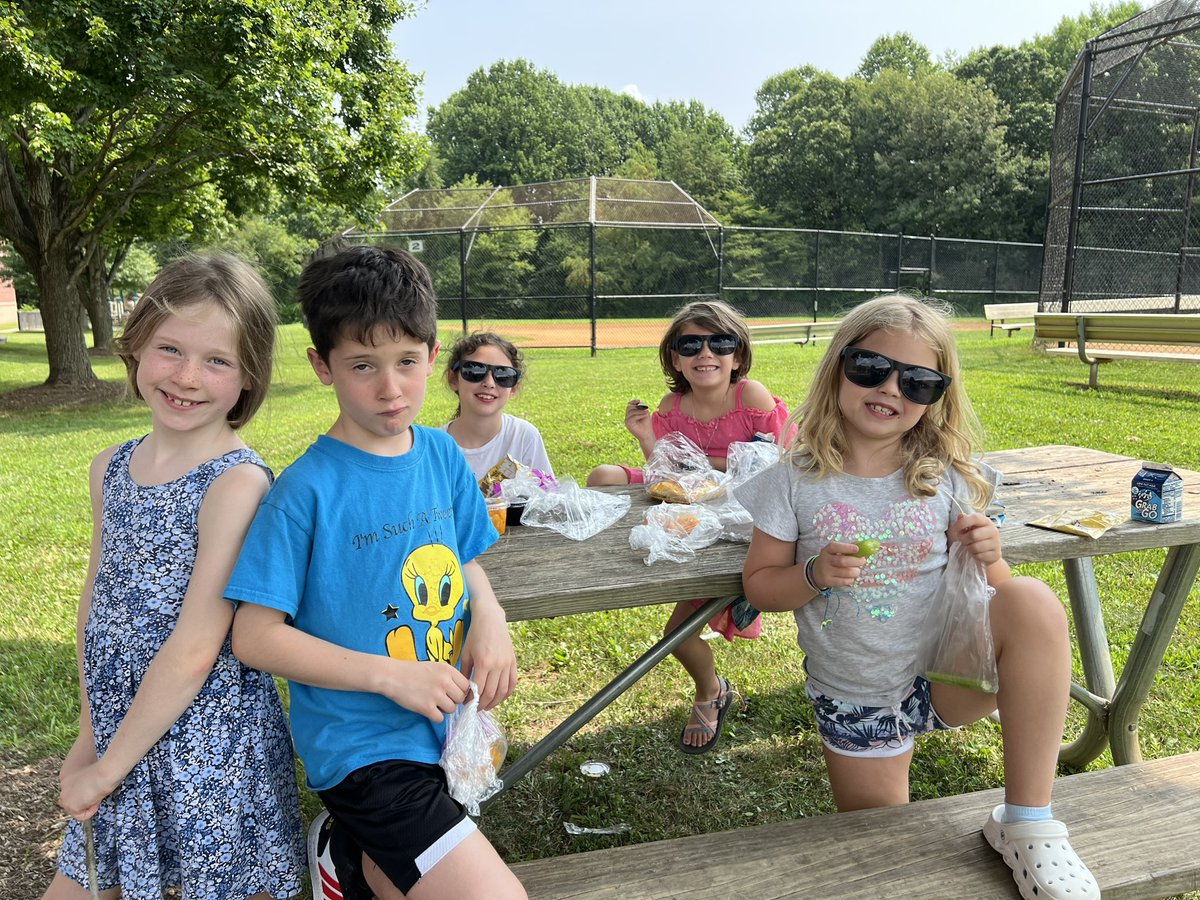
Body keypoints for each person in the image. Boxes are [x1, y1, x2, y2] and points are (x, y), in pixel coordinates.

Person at [736, 294, 1098, 900]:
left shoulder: (946, 477)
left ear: (937, 395)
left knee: (1034, 600)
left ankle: (1028, 823)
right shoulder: (791, 480)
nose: (891, 389)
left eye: (919, 380)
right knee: (885, 853)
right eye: (871, 368)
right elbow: (758, 586)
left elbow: (1000, 598)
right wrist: (814, 574)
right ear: (838, 367)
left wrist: (990, 556)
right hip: (860, 694)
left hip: (946, 675)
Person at [226, 245, 525, 900]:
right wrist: (393, 677)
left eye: (407, 363)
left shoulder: (442, 453)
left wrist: (493, 619)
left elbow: (464, 559)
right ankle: (350, 839)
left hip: (440, 724)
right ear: (321, 365)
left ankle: (350, 856)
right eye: (364, 365)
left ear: (432, 354)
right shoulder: (305, 492)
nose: (391, 389)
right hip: (360, 746)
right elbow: (254, 636)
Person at [44, 254, 305, 900]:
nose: (187, 377)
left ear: (249, 376)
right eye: (169, 349)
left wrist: (105, 771)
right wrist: (88, 733)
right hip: (121, 728)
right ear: (135, 347)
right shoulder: (110, 467)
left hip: (207, 748)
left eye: (217, 360)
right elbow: (97, 608)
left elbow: (194, 651)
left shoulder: (236, 484)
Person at [587, 299, 791, 755]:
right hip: (692, 499)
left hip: (736, 510)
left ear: (737, 356)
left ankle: (711, 690)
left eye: (720, 342)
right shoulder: (671, 405)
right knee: (602, 475)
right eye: (690, 344)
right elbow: (666, 473)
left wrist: (699, 463)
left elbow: (766, 467)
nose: (706, 353)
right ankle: (606, 565)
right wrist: (646, 437)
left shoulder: (750, 397)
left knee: (675, 636)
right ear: (675, 358)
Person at [442, 331, 554, 480]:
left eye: (504, 375)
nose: (489, 383)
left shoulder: (523, 437)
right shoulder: (435, 448)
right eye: (475, 370)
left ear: (514, 387)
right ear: (453, 379)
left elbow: (547, 497)